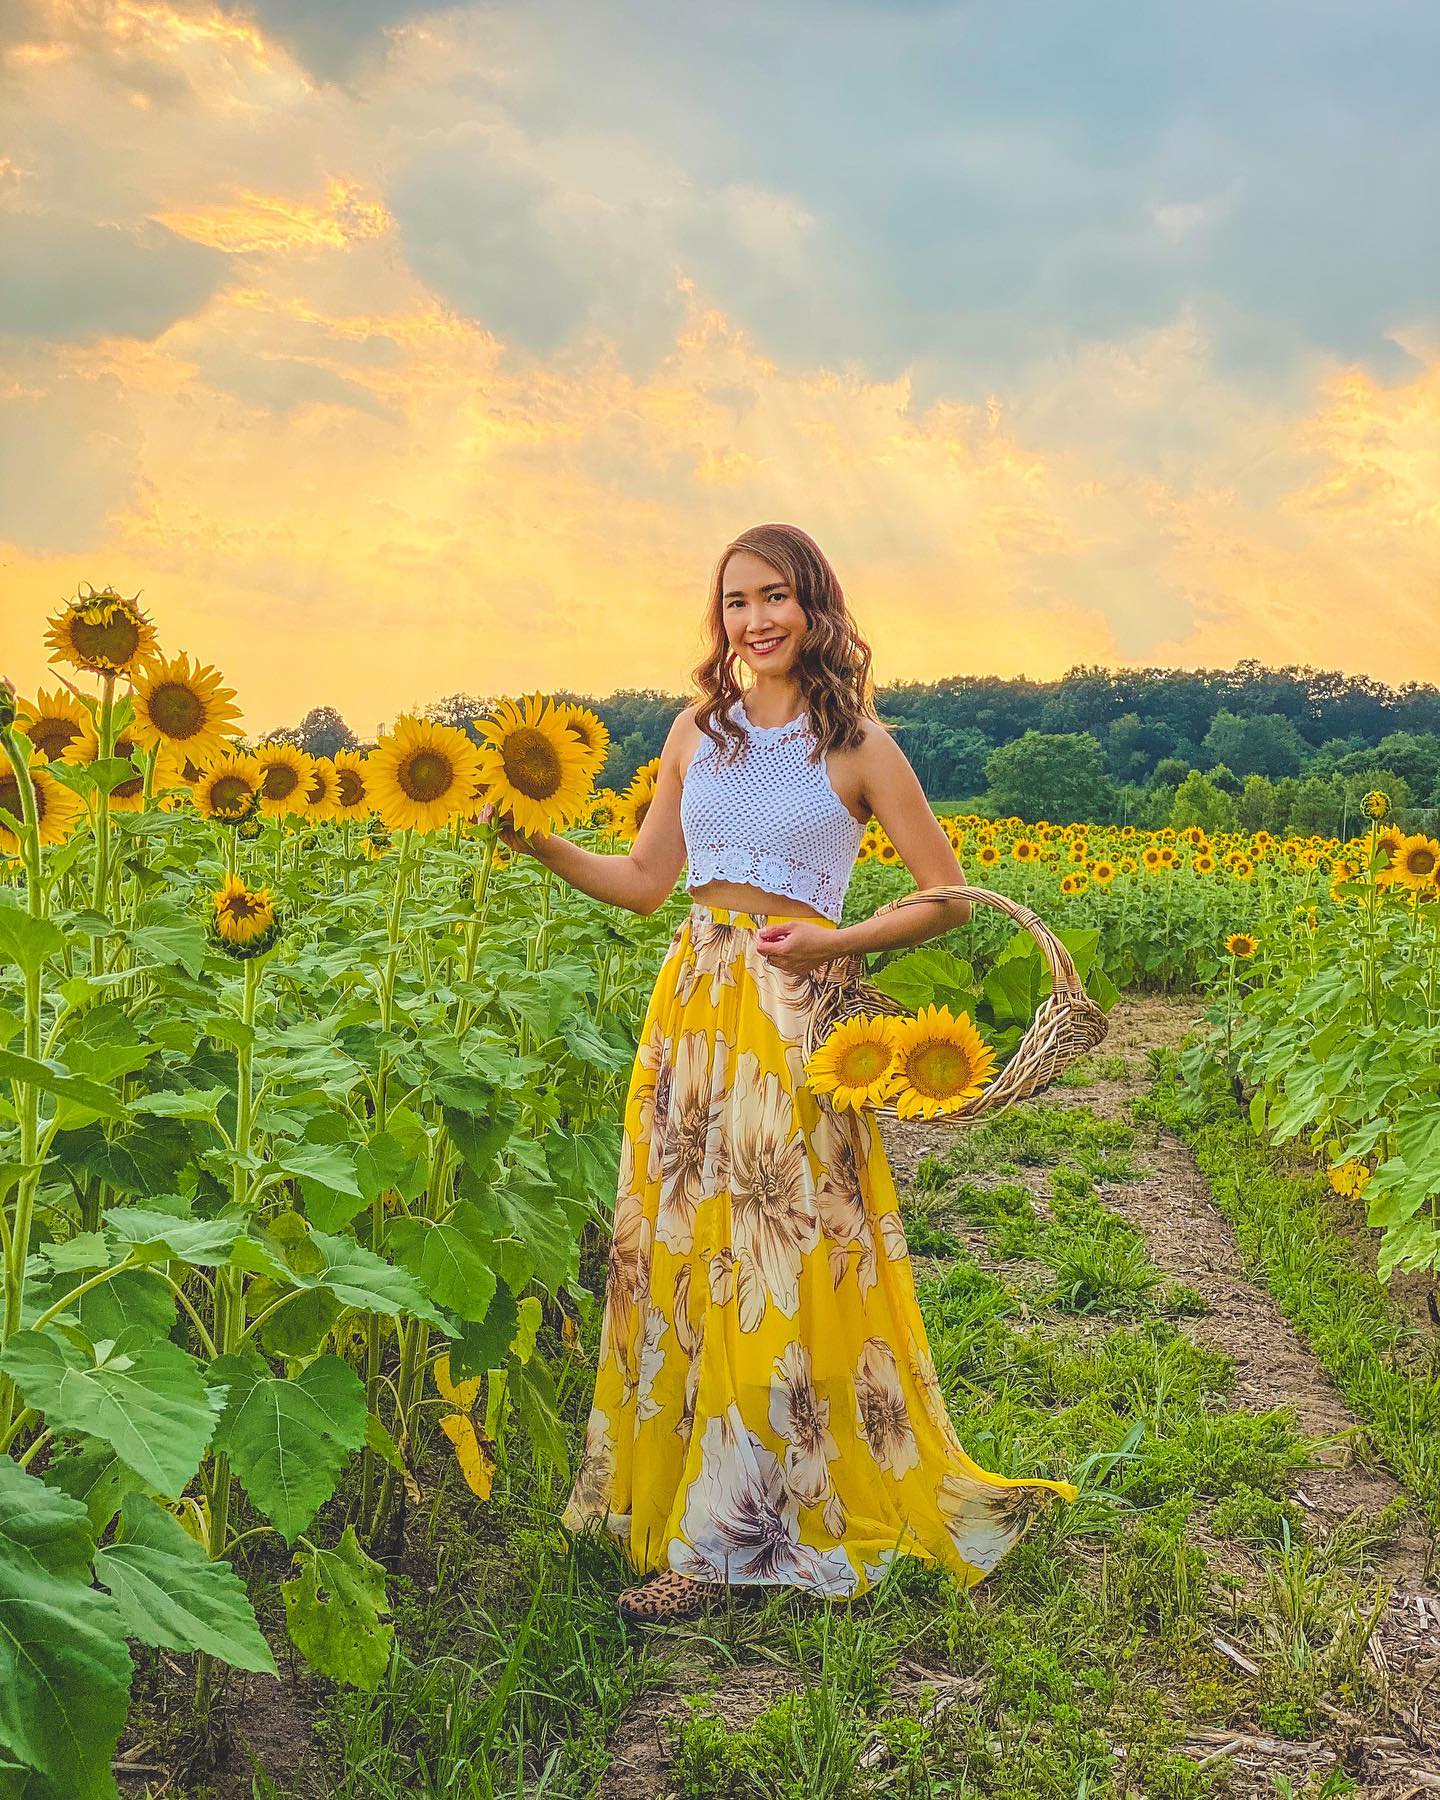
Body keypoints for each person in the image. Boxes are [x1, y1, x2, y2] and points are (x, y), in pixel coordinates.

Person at [480, 522, 1077, 1624]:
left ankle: (728, 1542)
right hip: (692, 1014)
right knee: (681, 1254)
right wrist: (544, 847)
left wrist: (833, 946)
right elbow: (649, 881)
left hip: (793, 1013)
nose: (754, 620)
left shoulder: (857, 747)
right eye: (736, 601)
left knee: (779, 1257)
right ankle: (694, 1504)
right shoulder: (694, 732)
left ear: (815, 608)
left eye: (774, 597)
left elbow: (943, 897)